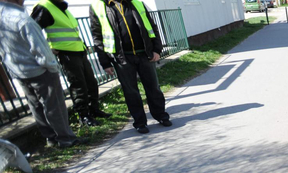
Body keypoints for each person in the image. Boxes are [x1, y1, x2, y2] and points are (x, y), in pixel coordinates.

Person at [0, 0, 84, 147]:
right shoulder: (23, 20)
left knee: (35, 106)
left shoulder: (3, 17)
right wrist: (52, 67)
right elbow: (40, 49)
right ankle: (66, 138)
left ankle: (51, 138)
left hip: (18, 71)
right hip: (39, 70)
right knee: (54, 105)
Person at [89, 0, 171, 134]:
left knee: (153, 87)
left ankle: (161, 116)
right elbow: (97, 37)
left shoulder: (136, 2)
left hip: (145, 54)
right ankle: (140, 123)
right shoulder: (97, 7)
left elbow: (152, 26)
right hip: (121, 58)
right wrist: (105, 62)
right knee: (131, 92)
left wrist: (157, 49)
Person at [31, 0, 112, 127]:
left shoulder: (62, 7)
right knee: (79, 84)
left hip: (80, 50)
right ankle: (84, 116)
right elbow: (32, 30)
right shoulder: (44, 7)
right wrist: (47, 48)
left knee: (91, 82)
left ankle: (94, 110)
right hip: (66, 53)